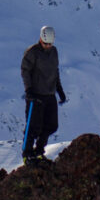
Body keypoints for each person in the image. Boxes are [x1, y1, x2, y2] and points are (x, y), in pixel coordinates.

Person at [20, 25, 67, 164]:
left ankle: (39, 152)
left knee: (51, 125)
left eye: (50, 44)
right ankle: (27, 154)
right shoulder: (32, 52)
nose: (47, 46)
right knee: (33, 126)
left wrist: (59, 90)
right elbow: (25, 71)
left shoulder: (54, 52)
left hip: (50, 94)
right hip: (36, 95)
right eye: (45, 43)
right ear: (41, 39)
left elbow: (55, 71)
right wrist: (29, 90)